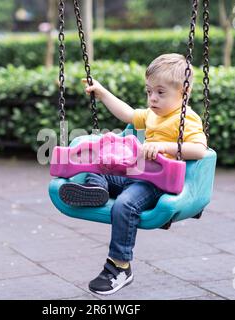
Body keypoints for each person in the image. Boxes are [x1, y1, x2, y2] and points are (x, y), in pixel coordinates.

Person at [59, 53, 208, 295]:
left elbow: (199, 150)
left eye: (160, 92)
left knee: (124, 205)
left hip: (157, 183)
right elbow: (128, 114)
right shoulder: (152, 114)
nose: (152, 98)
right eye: (149, 91)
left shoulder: (187, 119)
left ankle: (119, 266)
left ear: (184, 90)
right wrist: (102, 92)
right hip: (137, 174)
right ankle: (97, 190)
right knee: (98, 168)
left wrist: (164, 147)